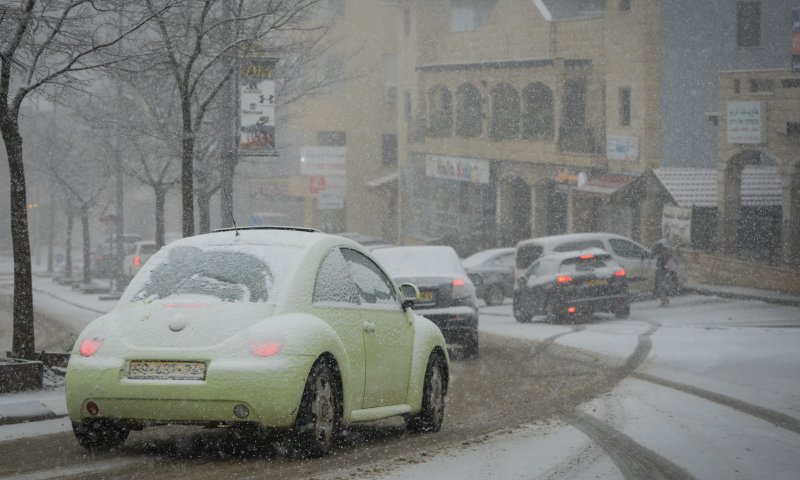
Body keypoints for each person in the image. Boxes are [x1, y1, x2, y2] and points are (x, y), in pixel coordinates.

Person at [652, 226, 674, 306]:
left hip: (662, 266)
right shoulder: (668, 243)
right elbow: (671, 255)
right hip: (665, 266)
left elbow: (654, 252)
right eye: (667, 232)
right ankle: (664, 299)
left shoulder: (663, 243)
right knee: (663, 283)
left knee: (662, 283)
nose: (667, 234)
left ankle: (664, 299)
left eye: (668, 232)